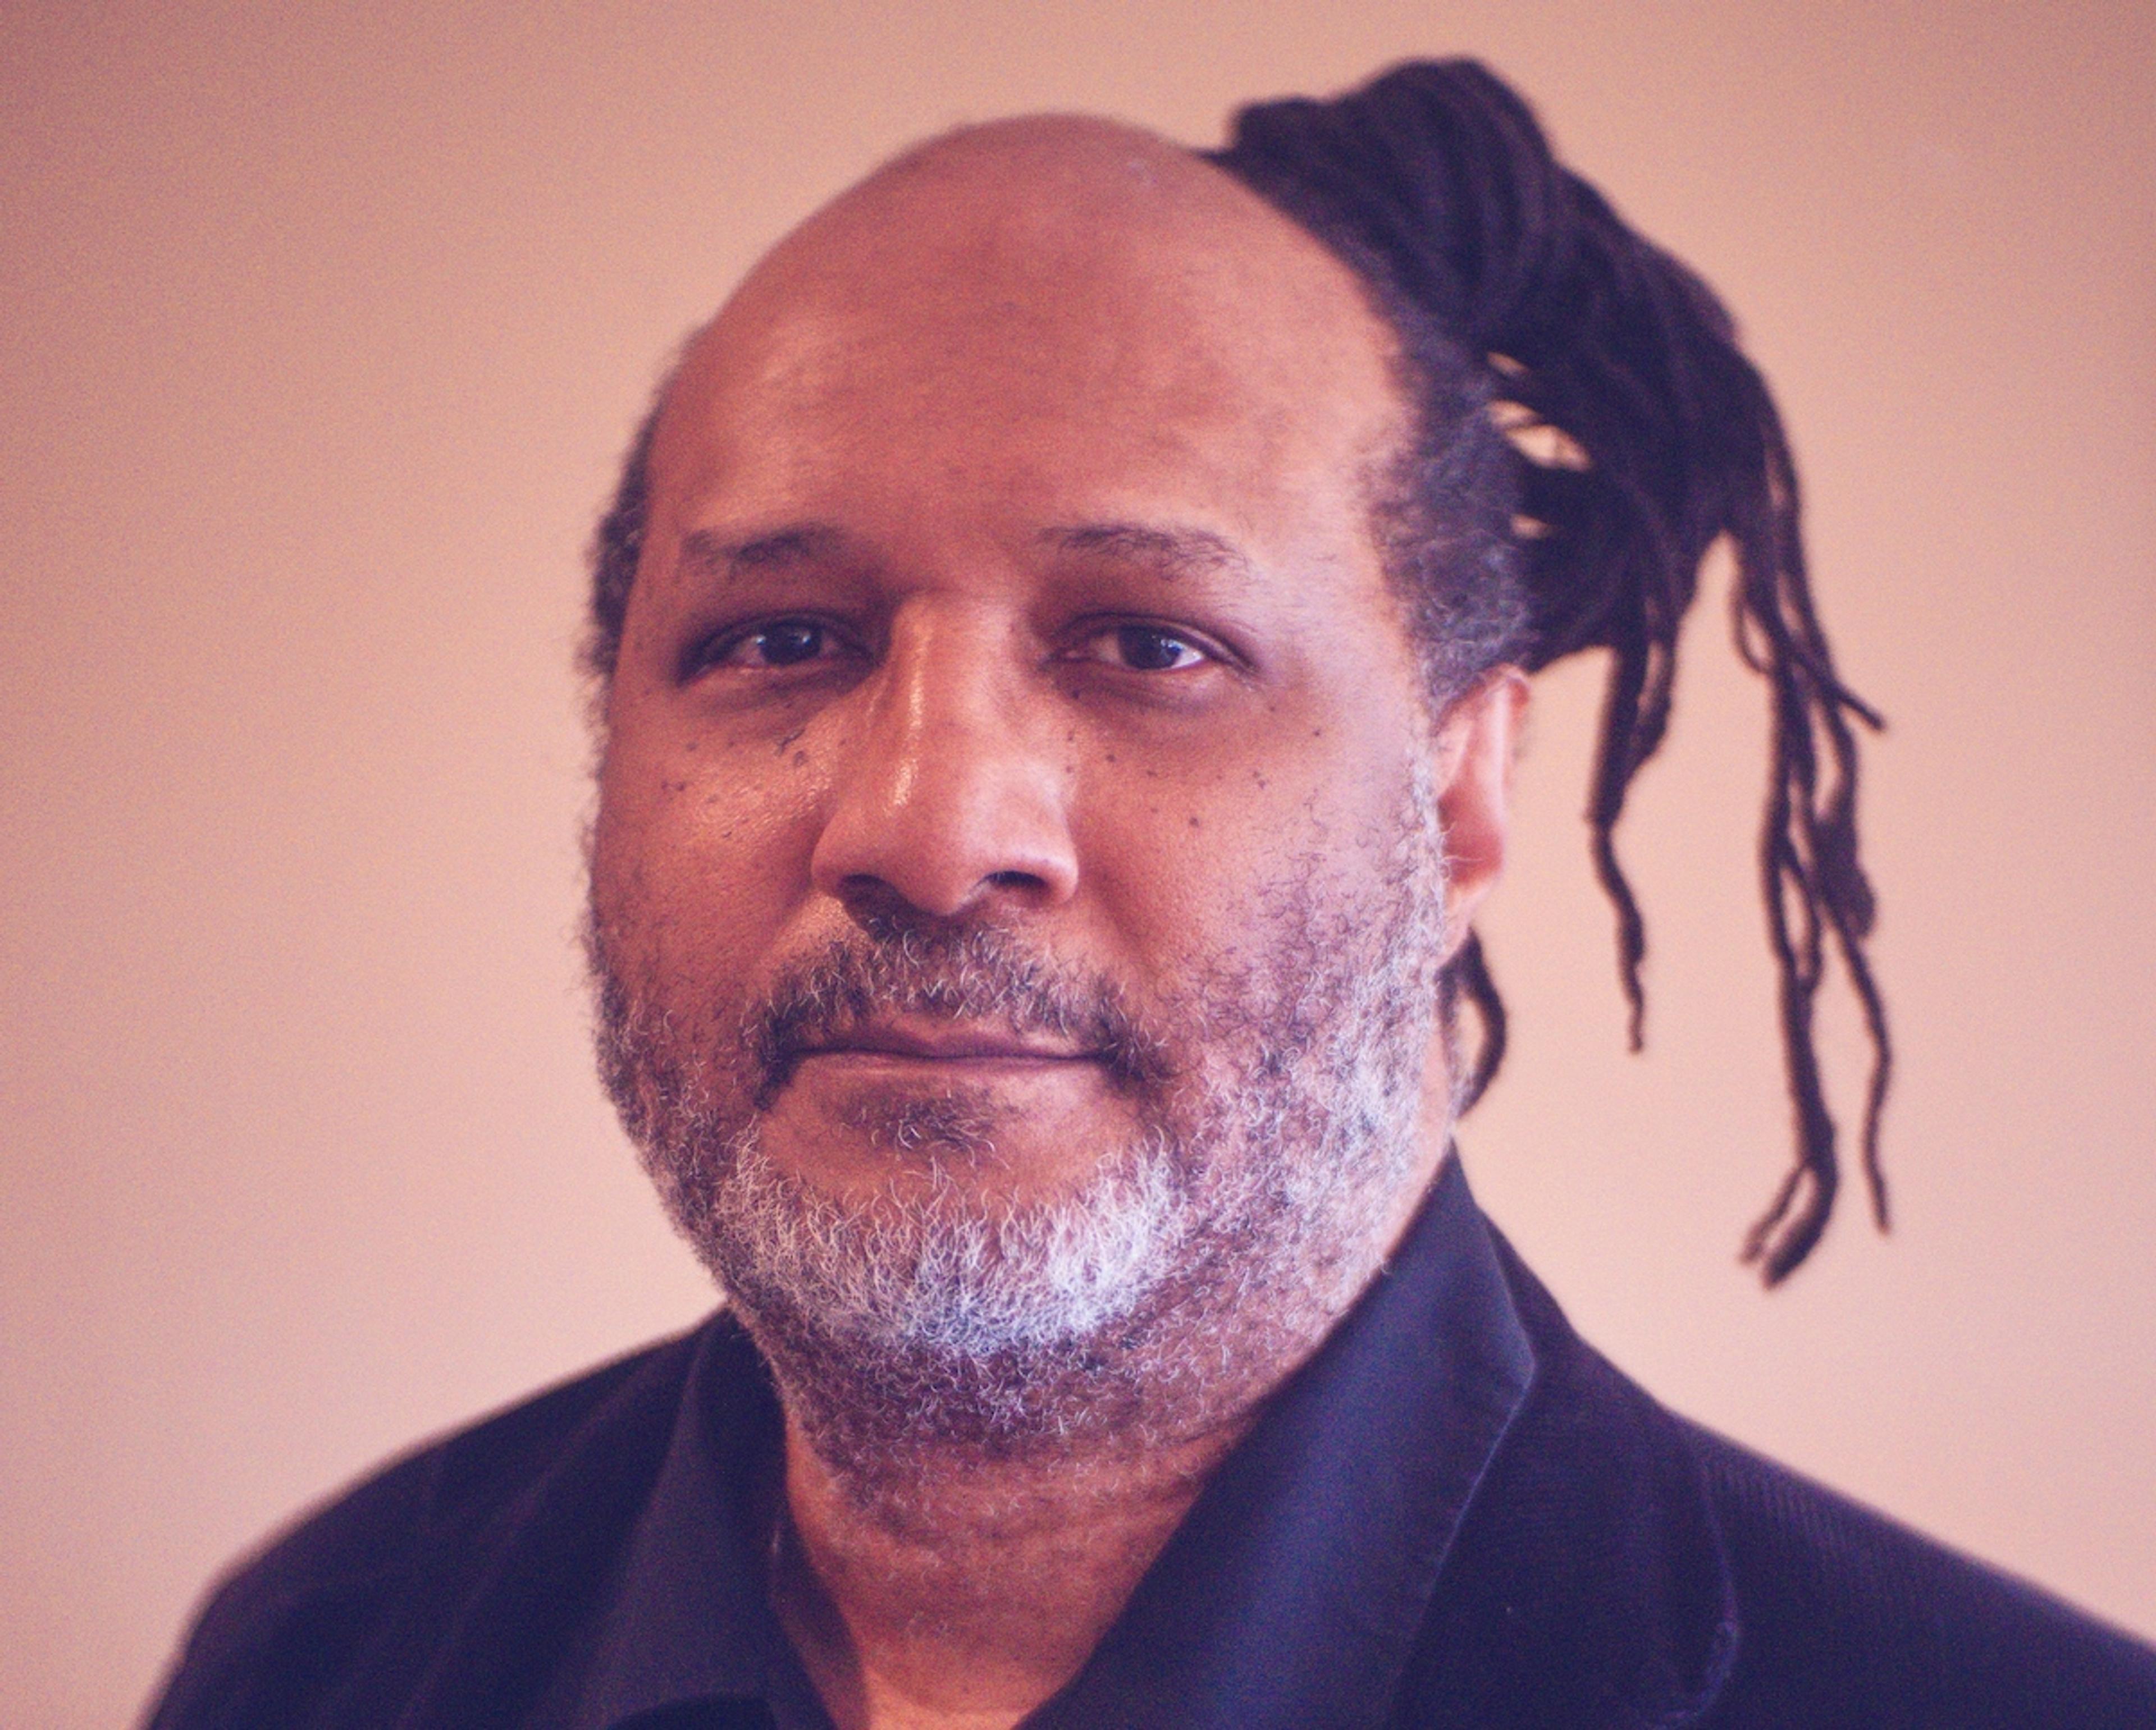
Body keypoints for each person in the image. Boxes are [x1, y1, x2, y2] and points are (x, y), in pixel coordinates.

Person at [144, 60, 2156, 1730]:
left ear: (1460, 793)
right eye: (782, 642)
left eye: (1148, 644)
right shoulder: (317, 1658)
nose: (928, 828)